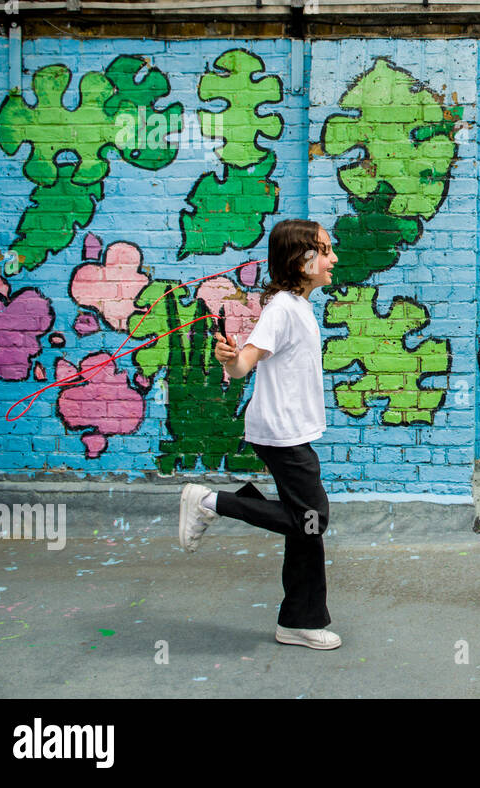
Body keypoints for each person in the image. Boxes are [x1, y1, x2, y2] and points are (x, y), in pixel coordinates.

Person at [178, 218, 342, 650]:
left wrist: (234, 361)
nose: (333, 258)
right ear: (302, 260)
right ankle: (211, 501)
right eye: (324, 250)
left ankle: (299, 621)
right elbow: (244, 363)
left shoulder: (298, 305)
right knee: (314, 519)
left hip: (288, 431)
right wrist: (230, 359)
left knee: (304, 528)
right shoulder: (283, 309)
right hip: (280, 434)